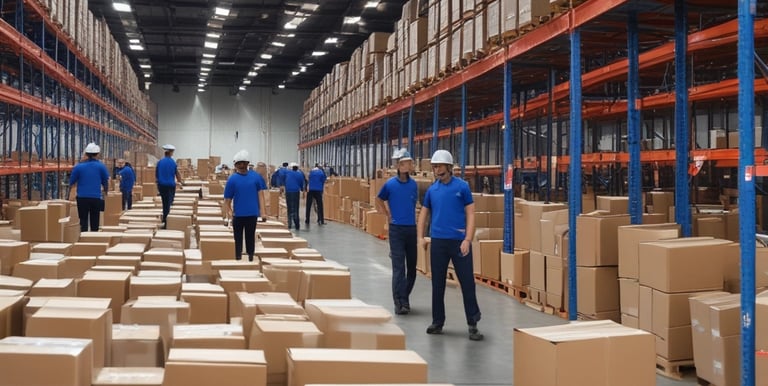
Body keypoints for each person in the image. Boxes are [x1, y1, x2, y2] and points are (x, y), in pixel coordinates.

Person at [417, 149, 483, 341]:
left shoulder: (462, 187)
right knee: (437, 283)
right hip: (438, 242)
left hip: (458, 243)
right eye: (434, 166)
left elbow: (471, 214)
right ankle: (438, 322)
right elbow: (423, 214)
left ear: (448, 167)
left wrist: (467, 240)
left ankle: (473, 323)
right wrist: (420, 237)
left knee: (467, 283)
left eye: (438, 165)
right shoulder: (432, 190)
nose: (436, 168)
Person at [376, 148, 418, 315]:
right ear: (400, 165)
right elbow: (378, 198)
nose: (410, 165)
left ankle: (404, 296)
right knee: (399, 268)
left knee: (412, 268)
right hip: (396, 230)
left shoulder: (413, 184)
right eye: (407, 163)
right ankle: (399, 302)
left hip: (411, 229)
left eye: (410, 163)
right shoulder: (390, 185)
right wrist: (387, 214)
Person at [224, 150, 267, 262]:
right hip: (238, 215)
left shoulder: (255, 177)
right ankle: (238, 258)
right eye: (239, 164)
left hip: (251, 214)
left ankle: (251, 258)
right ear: (236, 165)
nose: (242, 166)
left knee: (250, 237)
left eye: (244, 163)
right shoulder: (232, 180)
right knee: (237, 238)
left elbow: (261, 195)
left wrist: (263, 212)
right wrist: (228, 214)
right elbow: (227, 200)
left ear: (248, 163)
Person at [69, 143, 109, 232]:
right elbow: (105, 181)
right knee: (95, 220)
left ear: (86, 154)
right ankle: (93, 239)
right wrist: (106, 192)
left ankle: (83, 239)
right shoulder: (101, 166)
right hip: (96, 197)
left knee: (83, 220)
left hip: (82, 197)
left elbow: (71, 181)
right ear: (97, 154)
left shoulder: (78, 167)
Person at [156, 144, 183, 227]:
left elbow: (156, 174)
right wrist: (180, 182)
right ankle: (167, 221)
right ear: (171, 153)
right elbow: (177, 174)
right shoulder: (173, 162)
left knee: (164, 202)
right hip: (170, 186)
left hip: (161, 185)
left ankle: (165, 218)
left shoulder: (160, 162)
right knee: (169, 202)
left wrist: (158, 183)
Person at [284, 162, 305, 230]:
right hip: (296, 192)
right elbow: (301, 182)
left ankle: (289, 224)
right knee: (296, 208)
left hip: (288, 192)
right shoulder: (299, 174)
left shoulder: (288, 173)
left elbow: (284, 179)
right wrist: (302, 189)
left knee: (289, 208)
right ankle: (297, 225)